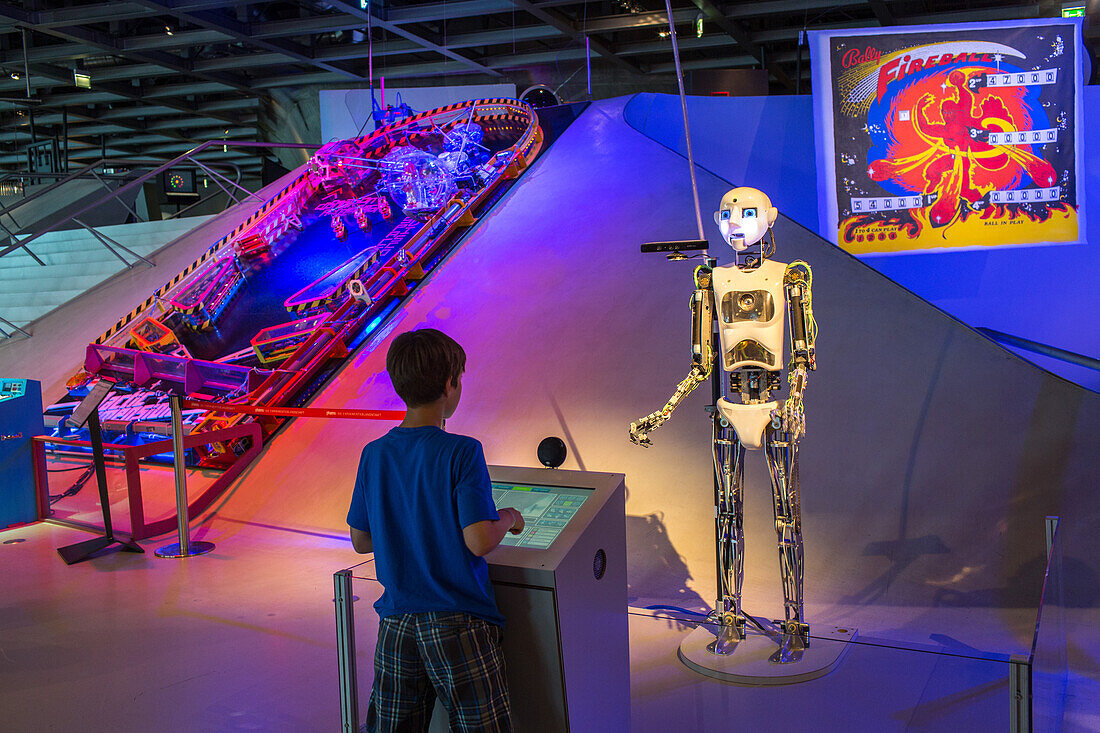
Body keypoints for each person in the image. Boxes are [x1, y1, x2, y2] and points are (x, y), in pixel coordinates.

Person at [347, 328, 525, 732]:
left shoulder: (374, 454)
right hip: (459, 623)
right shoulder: (462, 451)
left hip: (396, 621)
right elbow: (478, 539)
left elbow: (361, 540)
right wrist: (510, 516)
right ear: (450, 384)